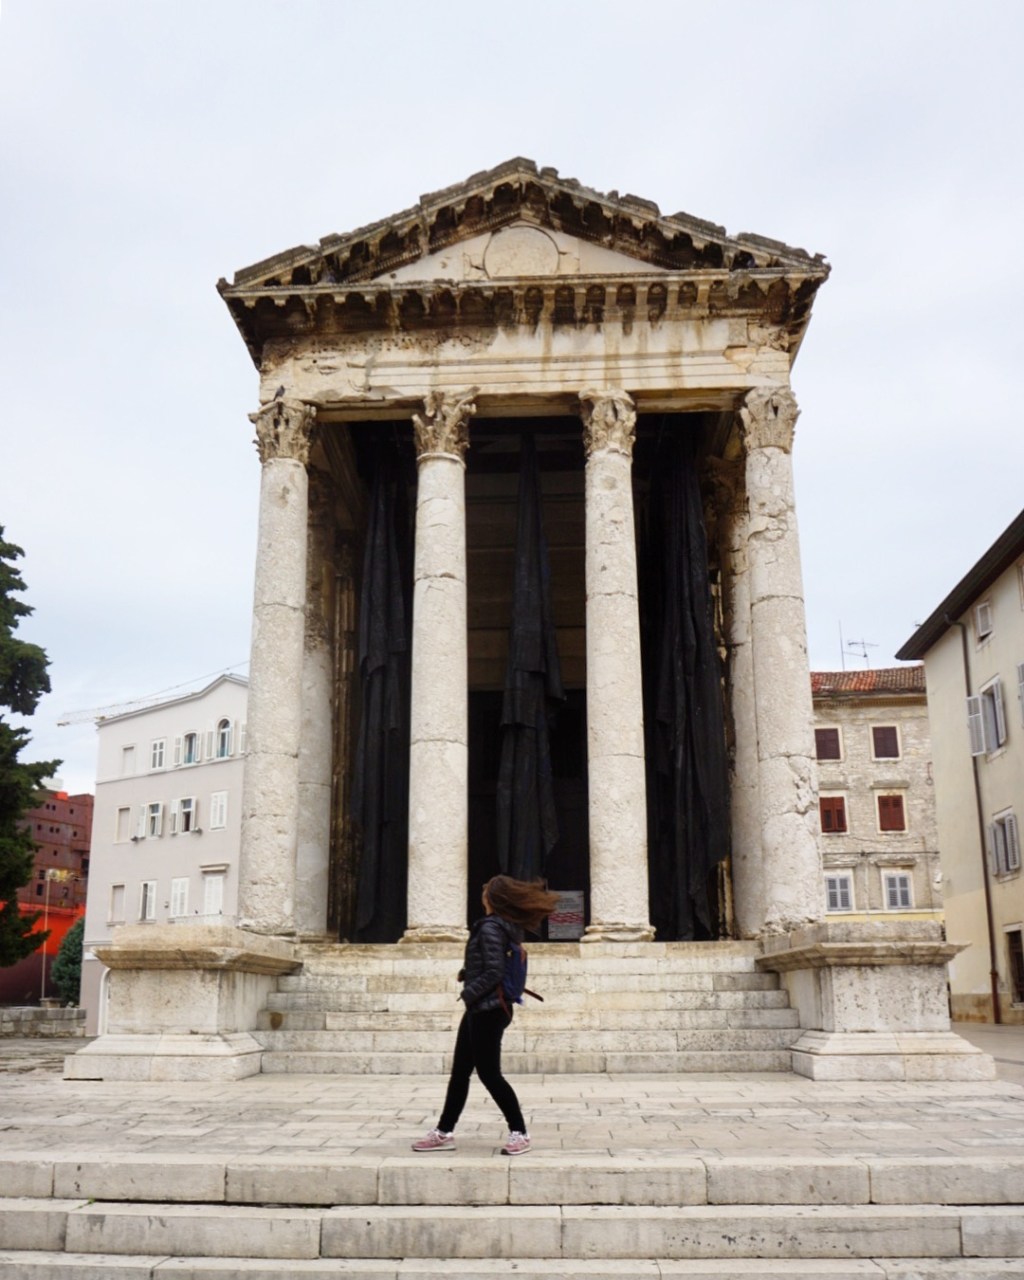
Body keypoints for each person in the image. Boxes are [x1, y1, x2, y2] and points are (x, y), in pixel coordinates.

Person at [412, 874, 559, 1156]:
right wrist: (468, 974)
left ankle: (520, 1132)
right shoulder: (501, 928)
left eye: (484, 891)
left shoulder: (491, 928)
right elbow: (489, 964)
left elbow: (494, 972)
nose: (481, 894)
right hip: (483, 1007)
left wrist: (469, 992)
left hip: (489, 1008)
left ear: (491, 899)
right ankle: (444, 1132)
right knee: (460, 1073)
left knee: (490, 1074)